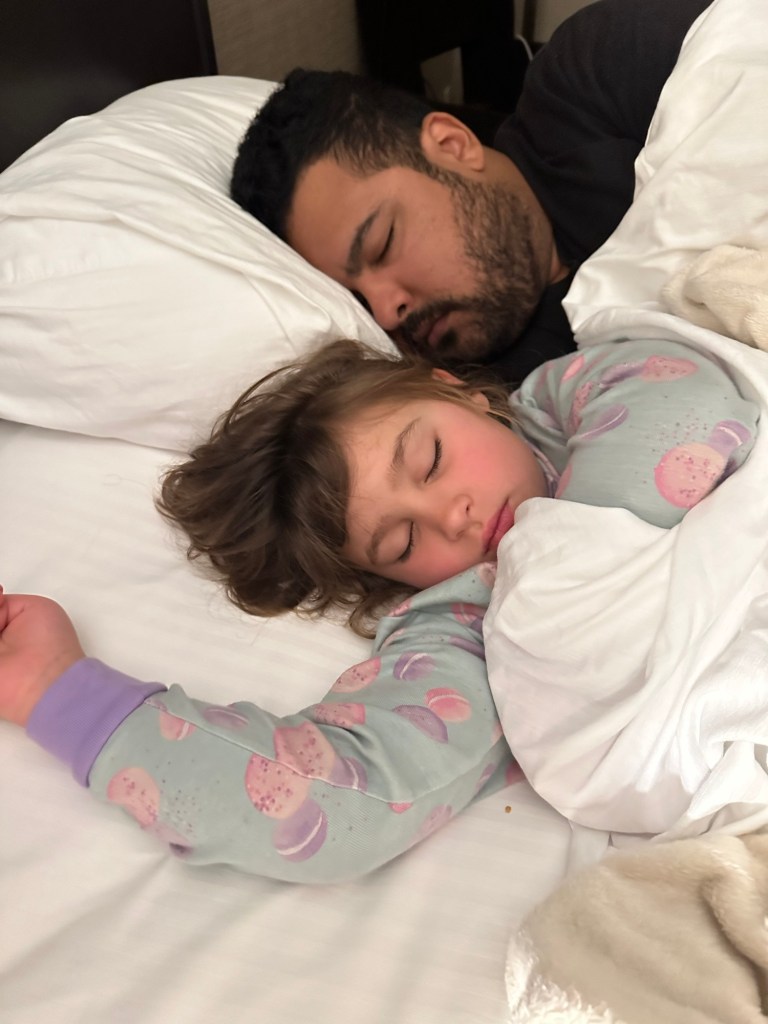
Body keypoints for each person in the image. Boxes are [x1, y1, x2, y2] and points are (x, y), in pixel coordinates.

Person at [0, 334, 757, 882]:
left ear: (457, 390)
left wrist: (570, 565)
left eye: (429, 460)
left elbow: (687, 398)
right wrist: (60, 694)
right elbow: (347, 800)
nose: (453, 516)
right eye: (402, 542)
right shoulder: (460, 620)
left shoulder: (569, 400)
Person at [230, 0, 712, 384]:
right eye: (358, 301)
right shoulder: (494, 399)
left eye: (382, 243)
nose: (385, 312)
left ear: (452, 145)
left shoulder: (593, 74)